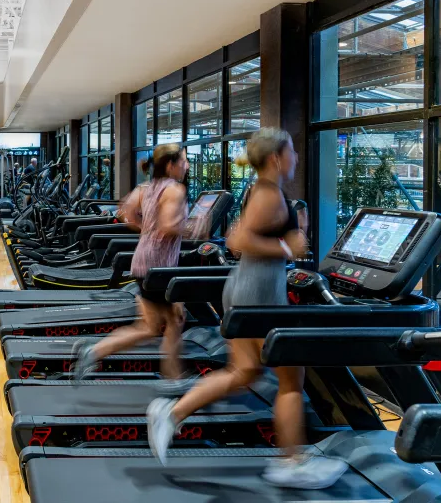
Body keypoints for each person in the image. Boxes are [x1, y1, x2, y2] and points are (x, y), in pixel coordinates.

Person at [146, 128, 347, 489]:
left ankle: (171, 413)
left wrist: (286, 242)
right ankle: (289, 462)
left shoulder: (261, 189)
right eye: (293, 151)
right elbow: (239, 239)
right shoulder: (269, 194)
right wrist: (290, 249)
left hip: (246, 288)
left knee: (245, 373)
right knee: (290, 381)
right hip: (257, 293)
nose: (297, 157)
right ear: (276, 158)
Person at [72, 144, 191, 389]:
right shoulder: (175, 189)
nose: (186, 166)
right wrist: (194, 227)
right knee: (173, 321)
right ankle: (173, 381)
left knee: (151, 326)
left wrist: (146, 229)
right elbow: (169, 226)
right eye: (184, 161)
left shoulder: (147, 188)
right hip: (160, 267)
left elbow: (125, 211)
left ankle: (94, 351)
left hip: (144, 260)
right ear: (170, 165)